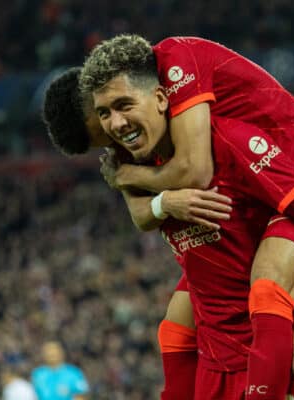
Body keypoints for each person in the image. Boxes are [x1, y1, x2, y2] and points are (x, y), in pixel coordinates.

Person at [80, 35, 294, 399]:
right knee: (179, 317)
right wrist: (153, 197)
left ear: (162, 98)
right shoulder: (151, 146)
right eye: (105, 114)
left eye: (123, 106)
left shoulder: (188, 78)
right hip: (264, 199)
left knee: (268, 283)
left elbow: (195, 171)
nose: (115, 125)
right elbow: (142, 213)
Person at [43, 67, 233, 399]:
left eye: (100, 134)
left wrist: (136, 178)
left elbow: (195, 171)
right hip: (216, 248)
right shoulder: (121, 147)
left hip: (272, 207)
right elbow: (142, 216)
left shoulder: (170, 89)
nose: (112, 143)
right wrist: (164, 202)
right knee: (174, 333)